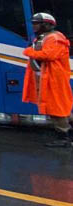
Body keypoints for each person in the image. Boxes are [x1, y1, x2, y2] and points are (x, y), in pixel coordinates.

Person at [22, 13, 72, 148]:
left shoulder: (54, 38)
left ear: (47, 24)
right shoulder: (44, 37)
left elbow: (49, 55)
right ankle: (66, 133)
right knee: (57, 106)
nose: (34, 26)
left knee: (57, 107)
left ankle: (63, 138)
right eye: (33, 23)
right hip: (47, 78)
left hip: (54, 79)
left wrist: (28, 51)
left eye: (37, 23)